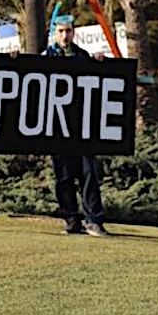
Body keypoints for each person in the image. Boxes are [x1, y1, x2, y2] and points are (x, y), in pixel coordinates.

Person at [43, 15, 109, 237]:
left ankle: (94, 221)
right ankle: (71, 220)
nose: (65, 35)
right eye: (61, 31)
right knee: (63, 177)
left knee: (88, 173)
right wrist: (13, 59)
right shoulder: (46, 57)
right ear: (55, 33)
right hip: (56, 128)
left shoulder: (82, 56)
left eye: (68, 31)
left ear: (74, 32)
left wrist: (100, 62)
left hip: (82, 128)